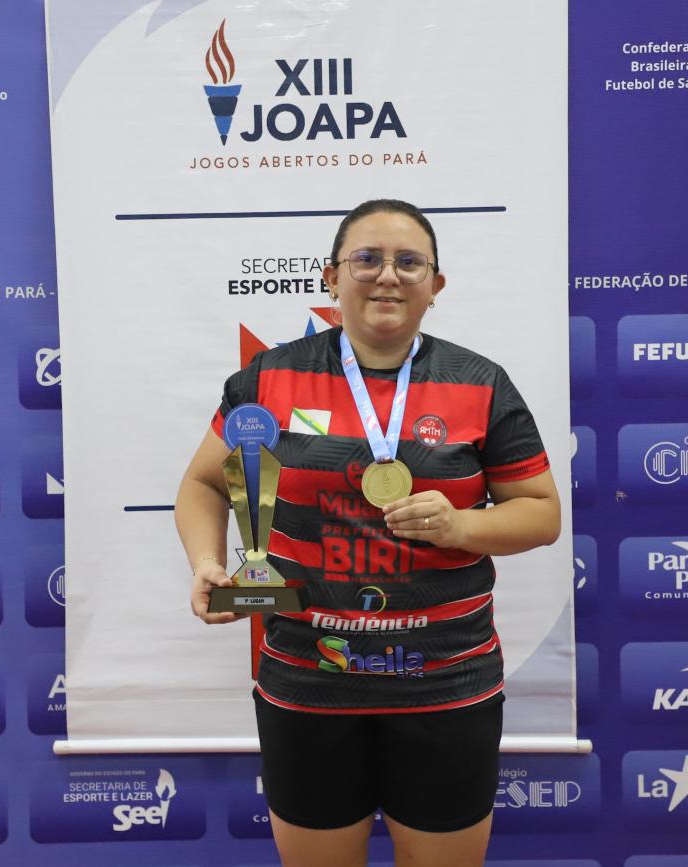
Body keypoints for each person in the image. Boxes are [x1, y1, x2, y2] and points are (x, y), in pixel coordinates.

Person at [175, 199, 560, 867]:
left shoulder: (481, 383)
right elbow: (206, 483)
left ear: (435, 285)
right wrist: (208, 560)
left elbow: (541, 511)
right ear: (331, 277)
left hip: (445, 681)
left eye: (410, 262)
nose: (388, 275)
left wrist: (460, 524)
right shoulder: (269, 377)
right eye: (367, 259)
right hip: (309, 678)